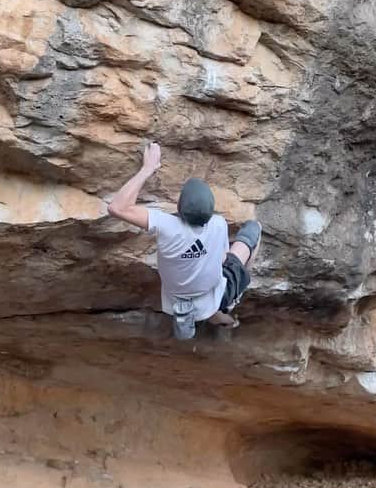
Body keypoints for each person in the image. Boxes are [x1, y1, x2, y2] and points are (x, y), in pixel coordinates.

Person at [107, 142, 261, 340]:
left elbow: (117, 208)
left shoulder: (167, 226)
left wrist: (148, 168)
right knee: (253, 231)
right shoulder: (218, 224)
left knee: (210, 274)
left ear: (180, 208)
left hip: (176, 298)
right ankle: (231, 300)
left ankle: (200, 314)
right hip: (211, 294)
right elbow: (223, 259)